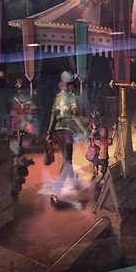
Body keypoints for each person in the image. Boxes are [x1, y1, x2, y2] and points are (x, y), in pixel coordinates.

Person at [46, 71, 86, 207]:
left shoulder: (57, 97)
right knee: (67, 161)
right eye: (72, 84)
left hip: (58, 131)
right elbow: (74, 117)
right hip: (67, 132)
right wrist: (84, 131)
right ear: (69, 84)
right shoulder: (71, 96)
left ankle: (73, 182)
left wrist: (48, 132)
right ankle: (55, 193)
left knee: (66, 159)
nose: (73, 86)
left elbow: (53, 116)